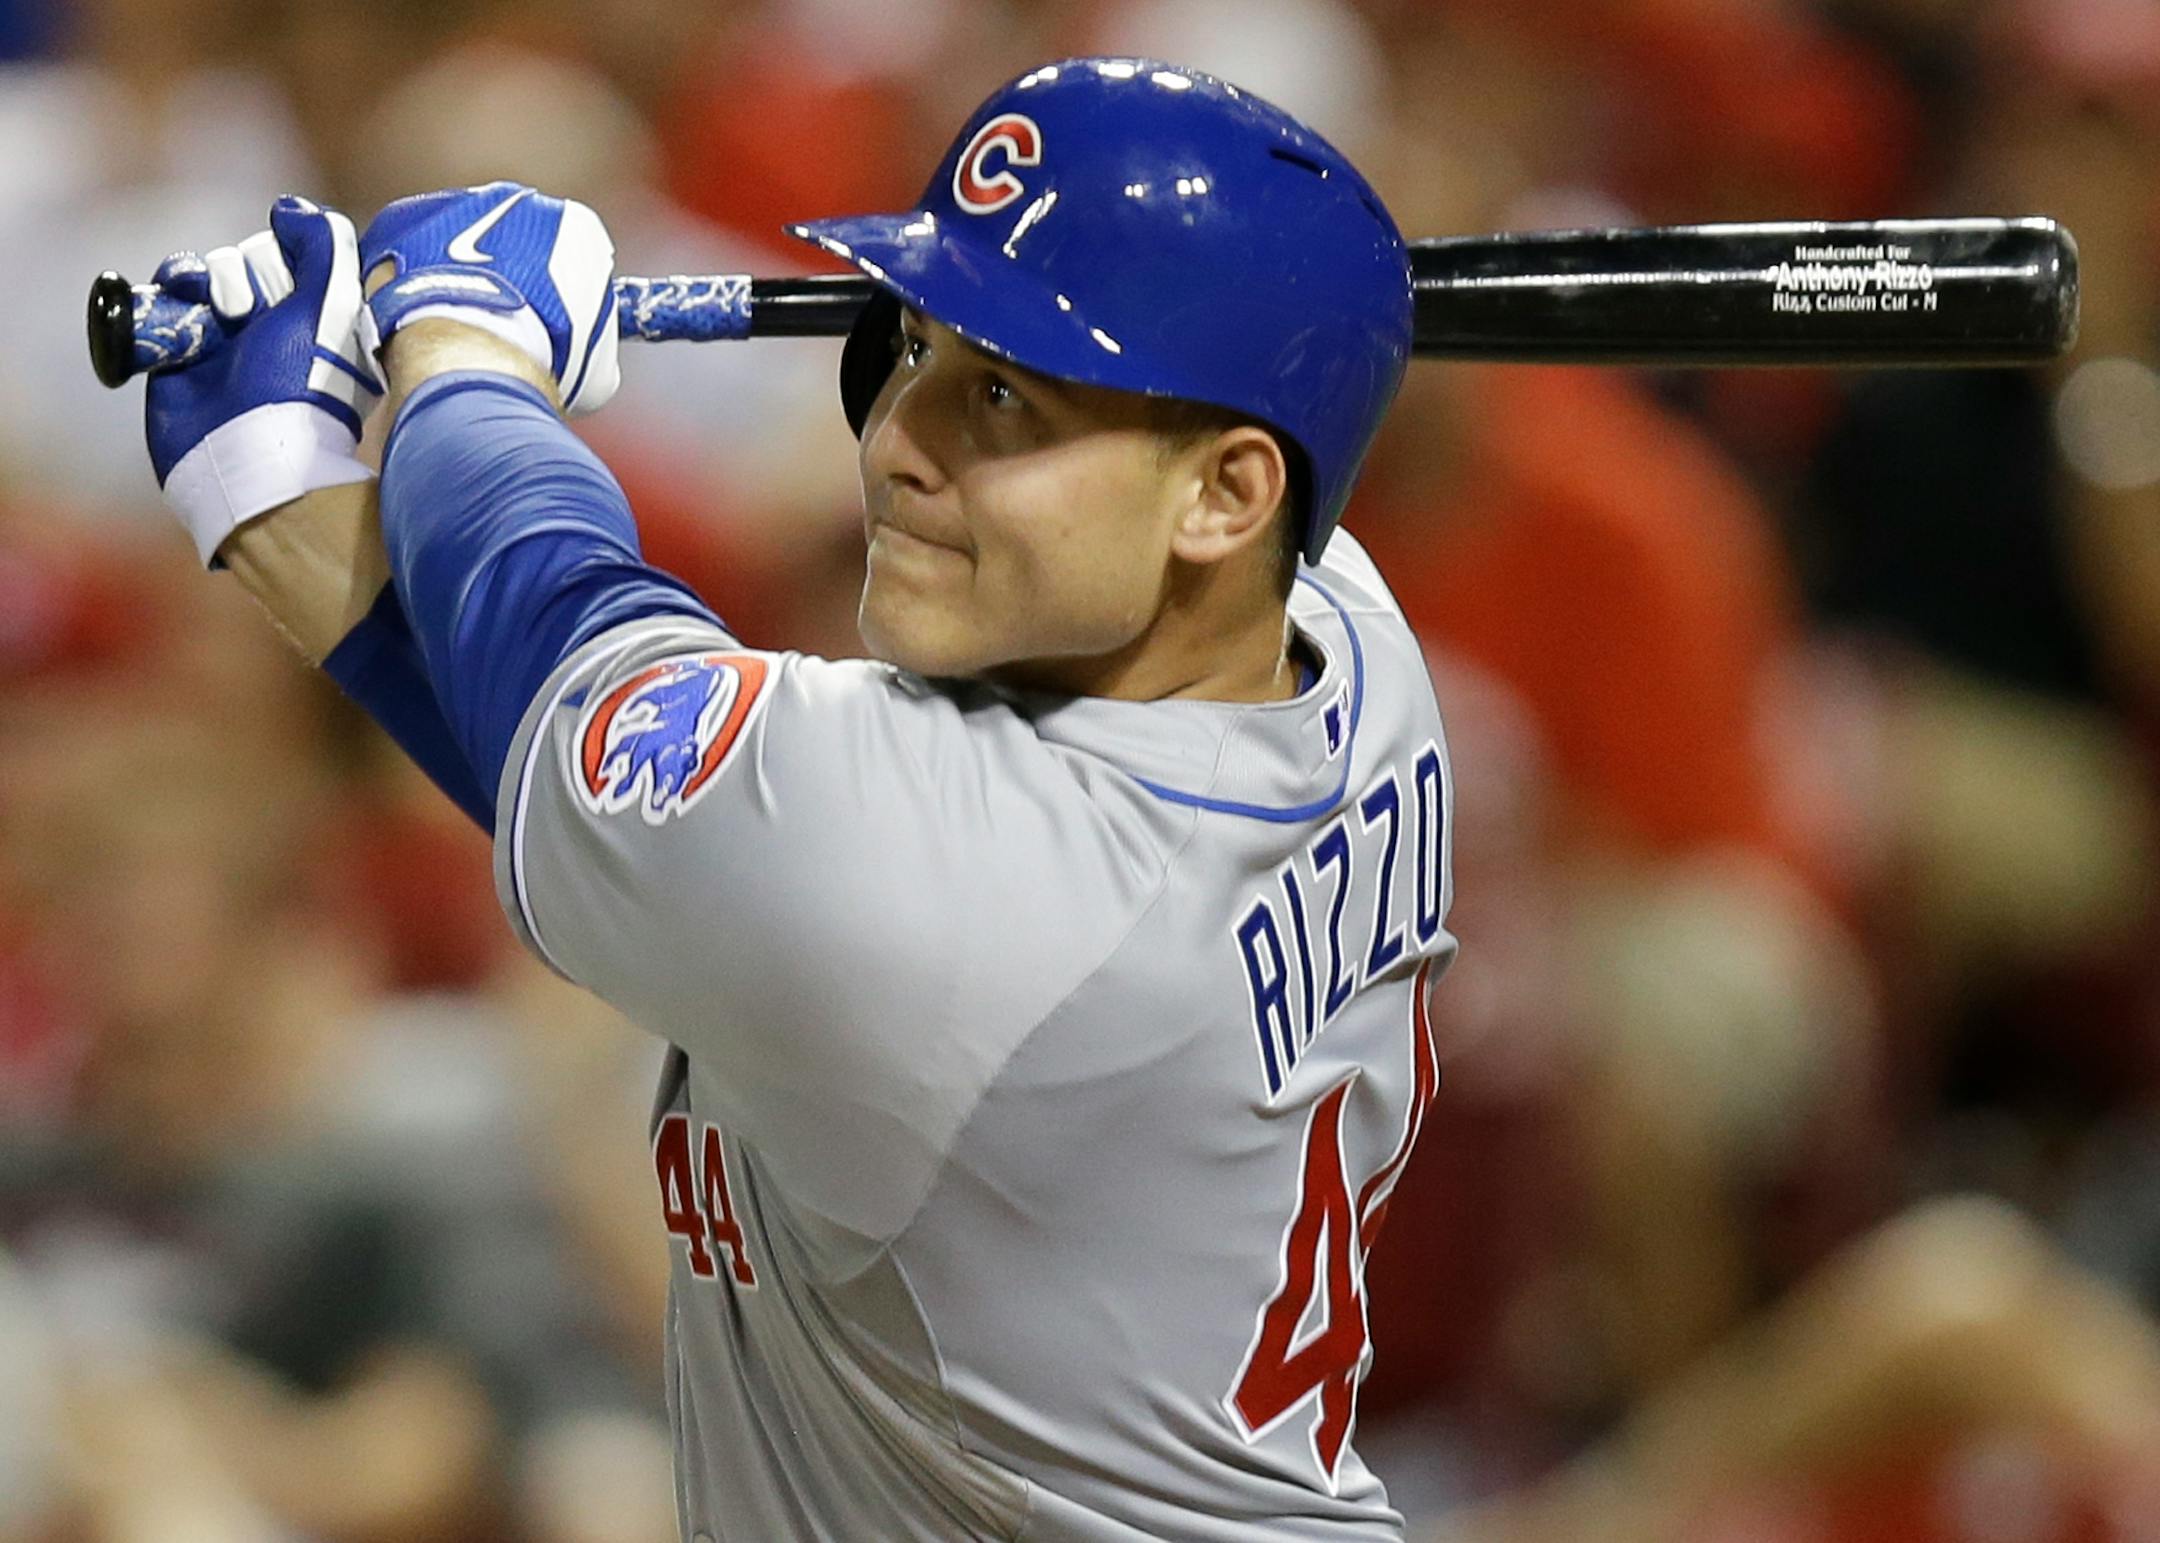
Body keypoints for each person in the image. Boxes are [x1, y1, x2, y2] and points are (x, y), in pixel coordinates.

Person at [134, 57, 1457, 1541]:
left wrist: (461, 350)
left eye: (1007, 399)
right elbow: (587, 789)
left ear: (1227, 496)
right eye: (913, 353)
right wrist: (280, 502)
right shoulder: (1340, 638)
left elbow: (560, 625)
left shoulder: (979, 892)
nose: (896, 443)